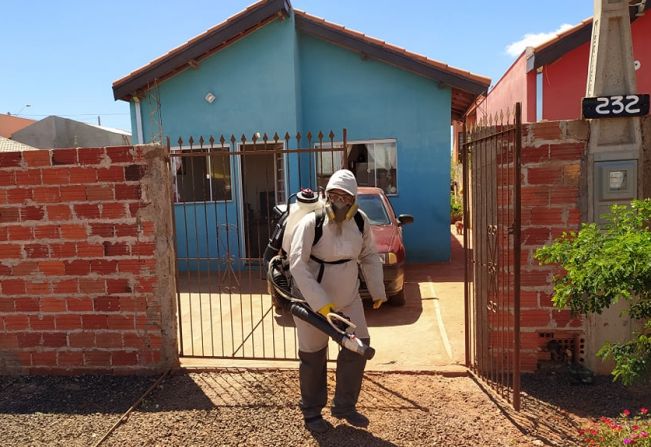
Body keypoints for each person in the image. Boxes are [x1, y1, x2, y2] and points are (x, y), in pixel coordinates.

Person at [288, 169, 386, 433]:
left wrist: (377, 291)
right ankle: (311, 413)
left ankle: (344, 406)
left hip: (348, 300)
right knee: (313, 357)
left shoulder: (361, 222)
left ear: (354, 200)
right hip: (313, 304)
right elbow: (297, 264)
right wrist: (321, 304)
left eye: (346, 196)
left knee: (359, 347)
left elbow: (368, 256)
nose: (340, 201)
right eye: (334, 195)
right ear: (326, 196)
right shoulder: (311, 223)